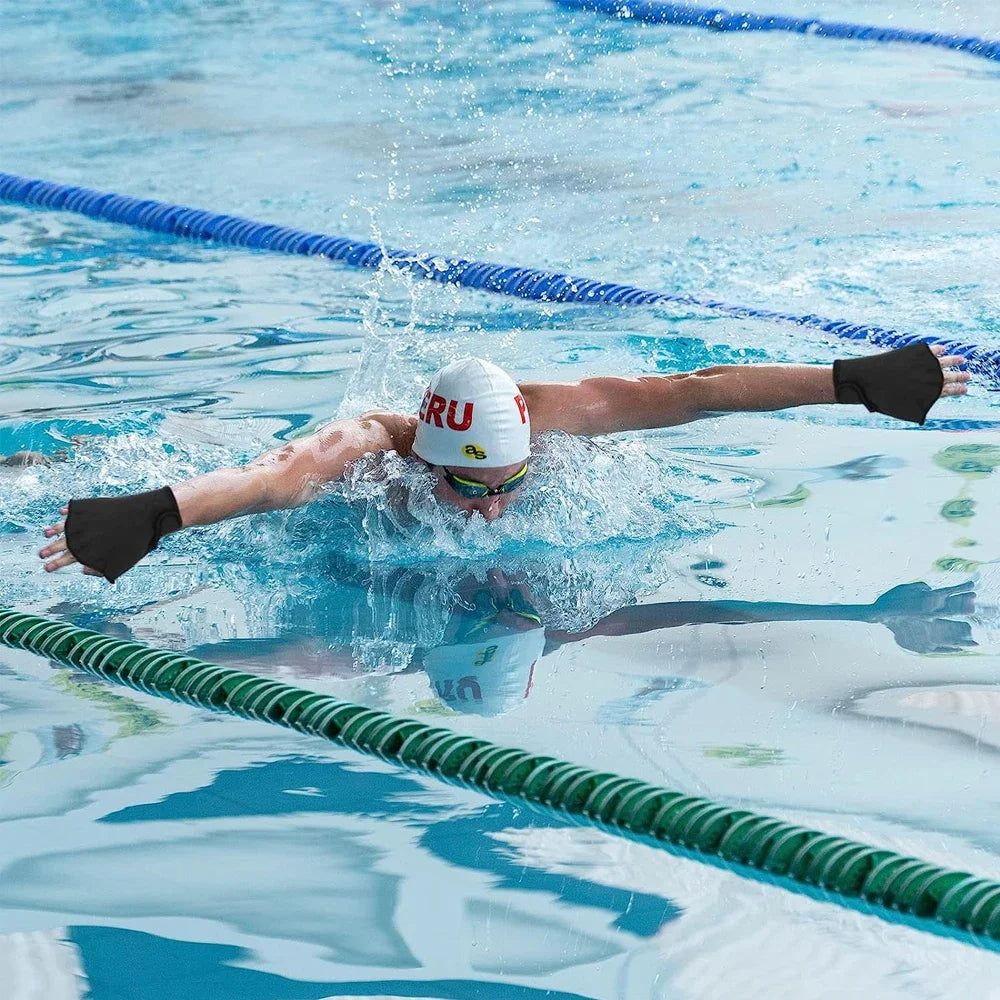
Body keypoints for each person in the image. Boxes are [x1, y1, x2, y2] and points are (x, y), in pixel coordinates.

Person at [38, 342, 969, 583]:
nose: (486, 510)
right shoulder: (374, 447)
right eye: (462, 487)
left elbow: (701, 389)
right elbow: (275, 480)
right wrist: (155, 512)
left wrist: (853, 382)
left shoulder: (562, 416)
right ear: (428, 459)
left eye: (508, 485)